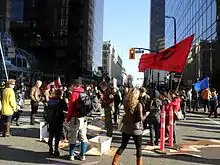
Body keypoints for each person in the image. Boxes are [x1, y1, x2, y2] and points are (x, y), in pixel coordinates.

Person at [112, 88, 148, 165]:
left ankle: (114, 163)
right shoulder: (139, 104)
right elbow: (140, 118)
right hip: (136, 129)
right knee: (138, 148)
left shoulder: (126, 102)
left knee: (123, 146)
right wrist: (146, 114)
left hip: (126, 127)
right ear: (137, 95)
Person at [66, 80, 89, 161]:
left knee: (72, 136)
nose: (71, 87)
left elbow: (70, 108)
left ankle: (71, 155)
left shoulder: (74, 94)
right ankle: (82, 155)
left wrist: (68, 119)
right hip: (84, 118)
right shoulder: (84, 93)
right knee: (83, 136)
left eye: (71, 86)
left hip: (75, 118)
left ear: (74, 85)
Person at [46, 89, 67, 156]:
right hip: (58, 120)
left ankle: (50, 149)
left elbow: (47, 109)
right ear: (61, 94)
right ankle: (56, 150)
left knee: (51, 135)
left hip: (51, 120)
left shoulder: (50, 101)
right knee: (57, 136)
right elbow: (66, 109)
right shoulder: (61, 101)